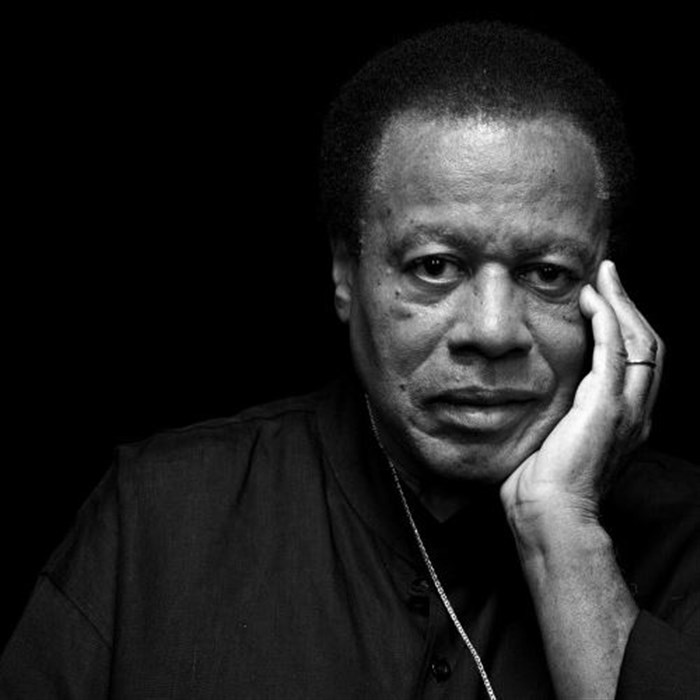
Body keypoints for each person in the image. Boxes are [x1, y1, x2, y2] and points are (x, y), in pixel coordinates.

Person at [1, 21, 698, 699]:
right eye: (435, 266)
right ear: (345, 273)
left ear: (610, 294)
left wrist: (564, 532)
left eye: (547, 274)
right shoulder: (158, 517)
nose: (492, 331)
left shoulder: (686, 536)